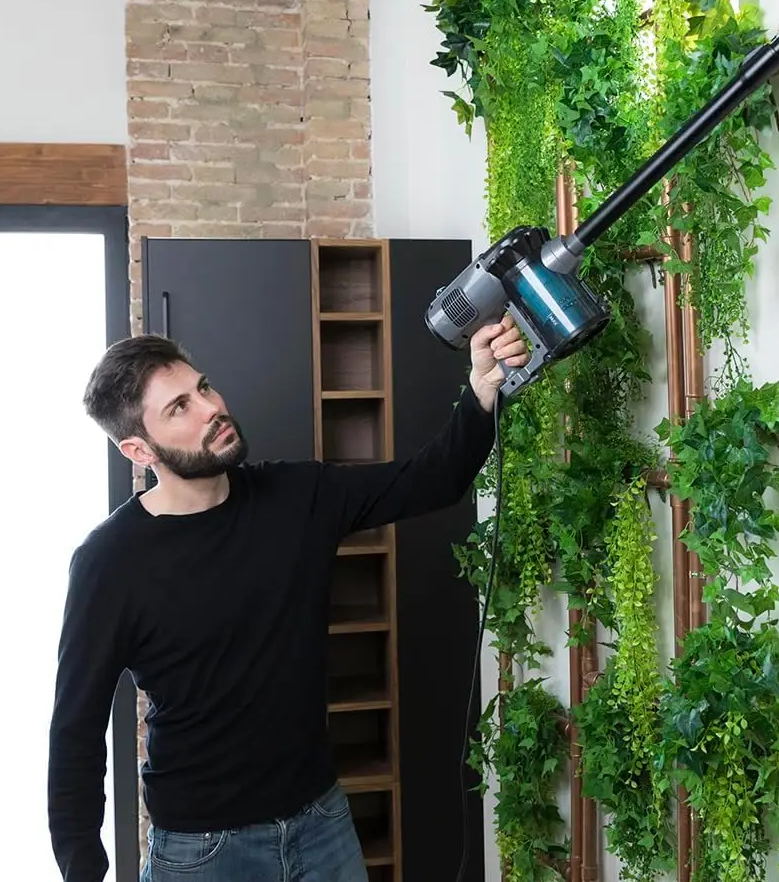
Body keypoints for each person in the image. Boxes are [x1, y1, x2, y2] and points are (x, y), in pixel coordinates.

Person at [47, 314, 528, 882]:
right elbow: (76, 732)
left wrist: (482, 387)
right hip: (203, 851)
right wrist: (83, 868)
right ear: (138, 449)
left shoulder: (296, 495)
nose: (210, 408)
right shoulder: (108, 563)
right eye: (179, 408)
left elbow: (433, 479)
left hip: (321, 823)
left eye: (204, 387)